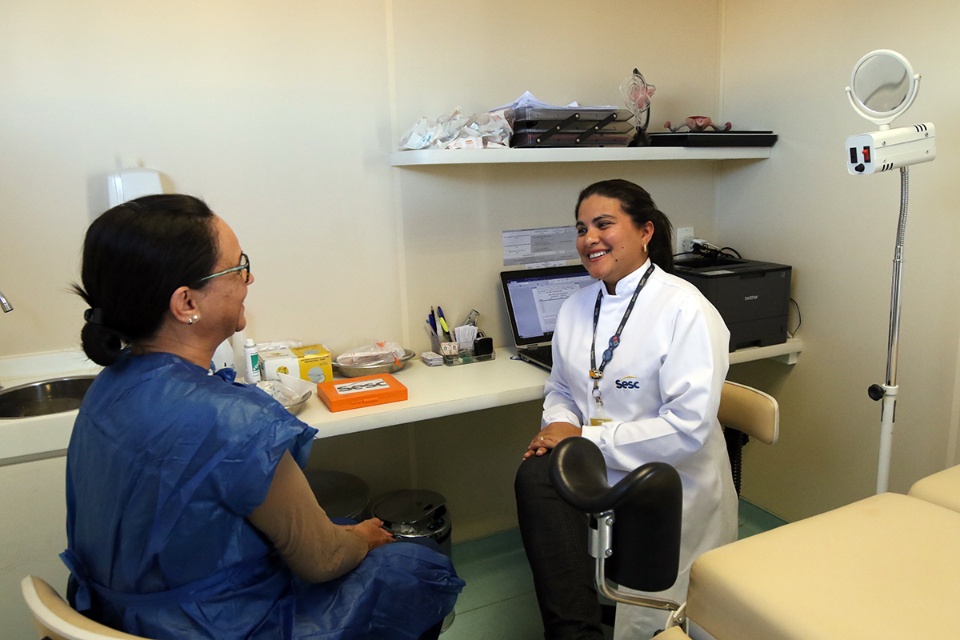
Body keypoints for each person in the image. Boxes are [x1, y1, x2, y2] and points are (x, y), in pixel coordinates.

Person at [62, 194, 463, 640]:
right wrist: (365, 537)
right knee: (414, 567)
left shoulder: (107, 388)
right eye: (238, 268)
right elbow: (324, 559)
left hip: (119, 617)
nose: (249, 278)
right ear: (186, 303)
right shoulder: (232, 421)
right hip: (213, 627)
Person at [514, 179, 737, 639]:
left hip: (667, 478)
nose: (589, 239)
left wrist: (582, 439)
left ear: (645, 231)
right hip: (598, 463)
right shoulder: (576, 308)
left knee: (653, 620)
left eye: (603, 224)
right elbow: (561, 387)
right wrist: (559, 425)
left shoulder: (685, 309)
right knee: (535, 474)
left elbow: (687, 428)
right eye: (581, 229)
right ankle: (574, 630)